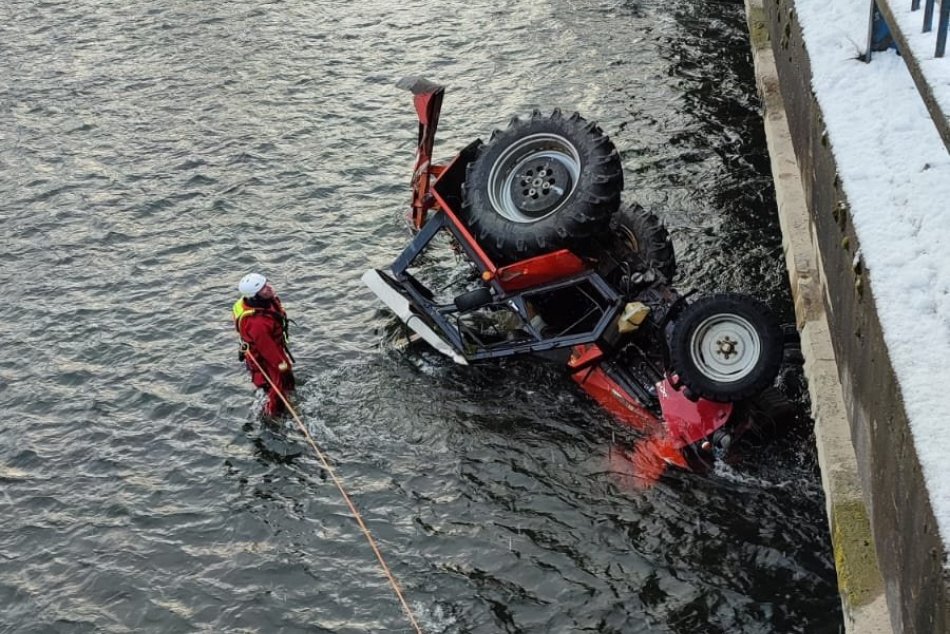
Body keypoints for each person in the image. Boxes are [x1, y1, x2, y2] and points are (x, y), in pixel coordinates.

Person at [232, 273, 295, 417]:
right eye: (263, 288)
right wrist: (282, 365)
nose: (269, 288)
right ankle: (272, 416)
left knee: (286, 379)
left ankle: (288, 397)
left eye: (266, 284)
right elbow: (268, 350)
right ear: (255, 296)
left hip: (271, 347)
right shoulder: (257, 323)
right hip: (264, 357)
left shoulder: (262, 303)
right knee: (277, 386)